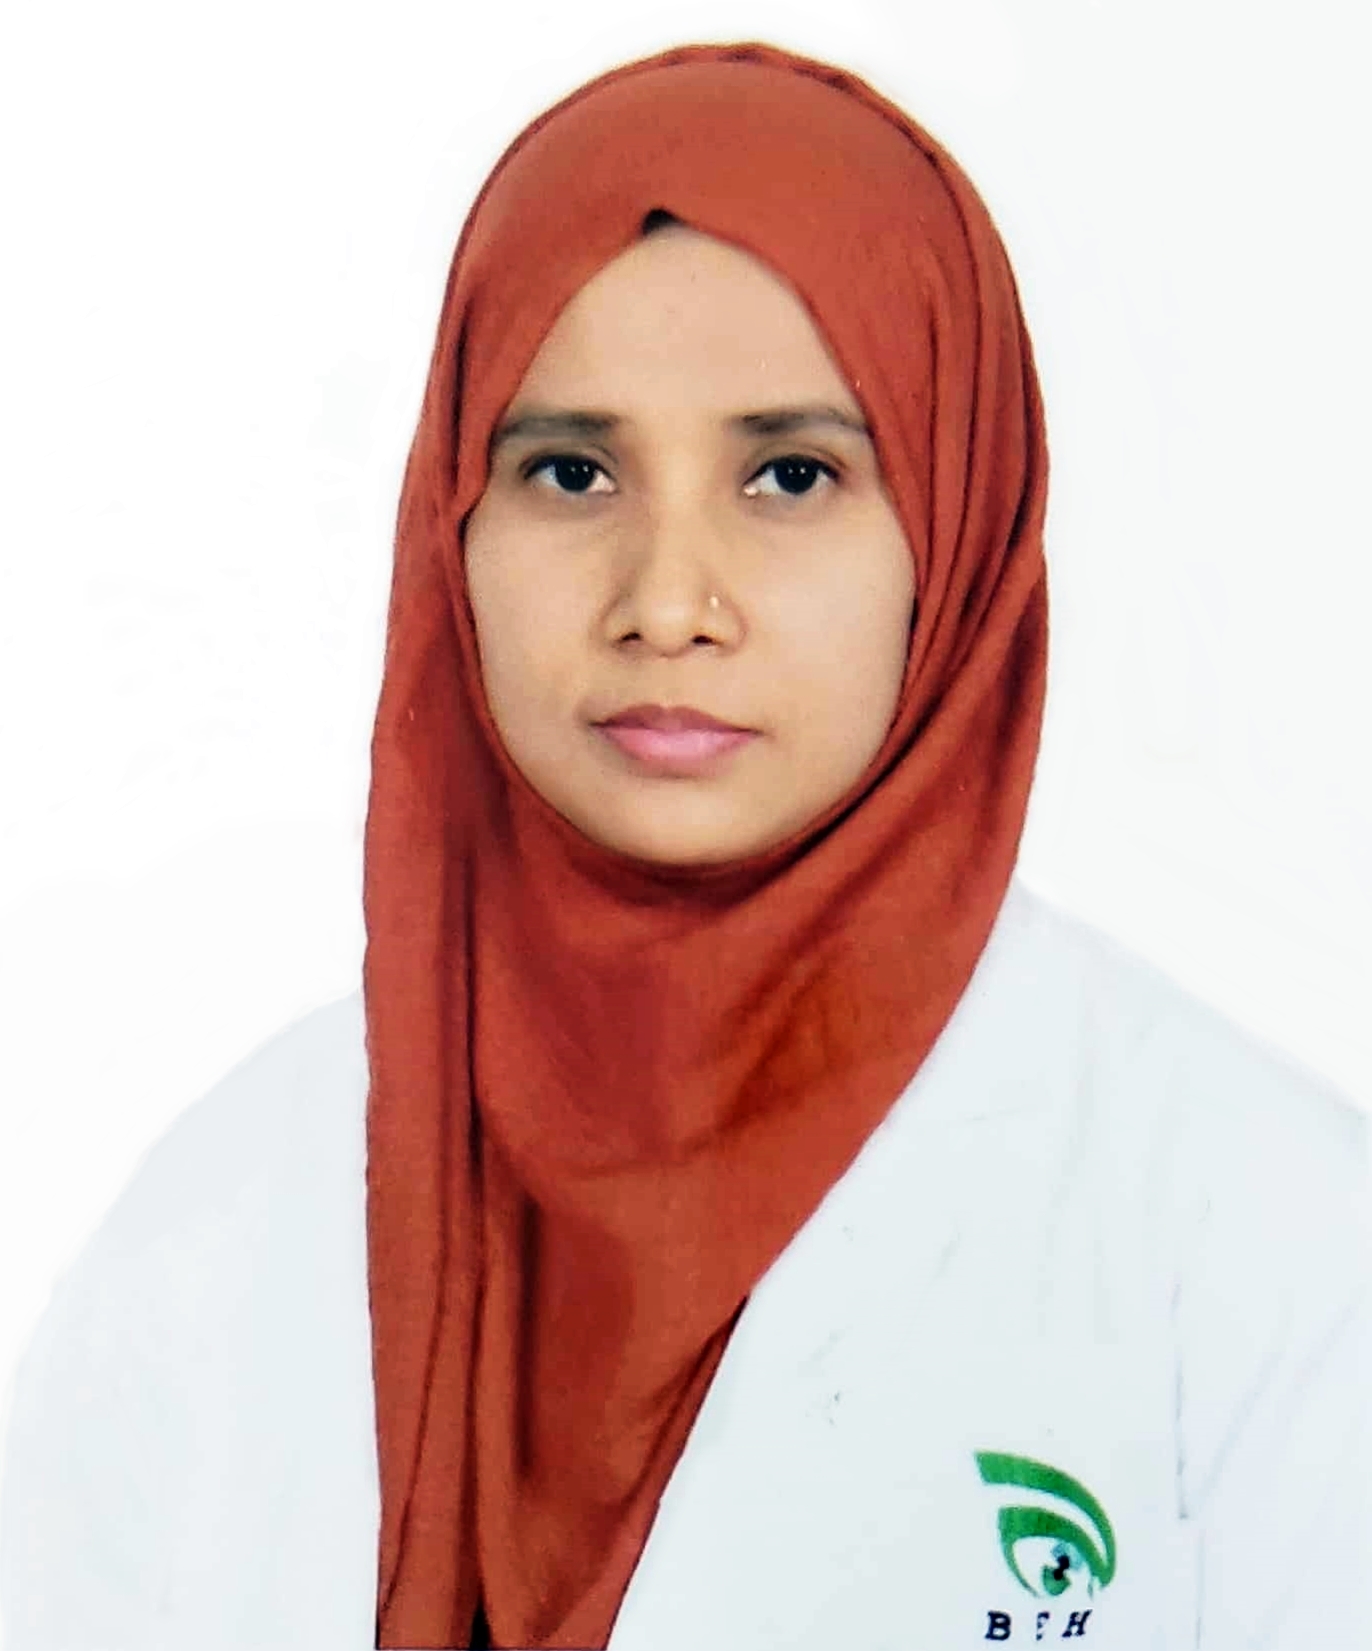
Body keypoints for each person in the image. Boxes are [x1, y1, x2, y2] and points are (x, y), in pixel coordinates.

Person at [1, 38, 1366, 1651]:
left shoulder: (1267, 1237)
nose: (665, 602)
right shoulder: (222, 1233)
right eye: (570, 472)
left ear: (959, 524)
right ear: (453, 519)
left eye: (791, 474)